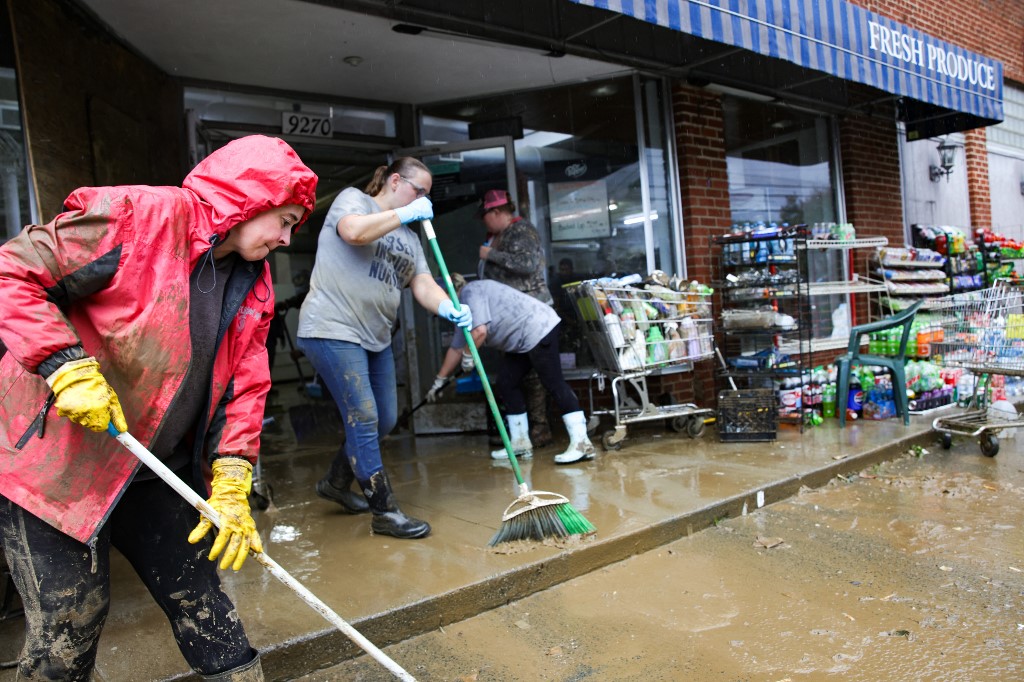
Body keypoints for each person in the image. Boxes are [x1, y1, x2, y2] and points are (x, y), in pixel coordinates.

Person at [0, 134, 318, 682]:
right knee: (72, 617)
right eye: (285, 219)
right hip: (53, 464)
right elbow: (13, 271)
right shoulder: (140, 216)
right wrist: (65, 366)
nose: (287, 239)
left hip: (150, 466)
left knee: (202, 598)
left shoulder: (253, 281)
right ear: (251, 197)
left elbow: (247, 385)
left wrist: (233, 479)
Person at [296, 157, 472, 540]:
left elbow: (422, 283)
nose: (423, 200)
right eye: (419, 190)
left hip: (376, 337)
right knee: (363, 414)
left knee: (386, 419)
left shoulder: (410, 237)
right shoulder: (354, 201)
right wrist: (407, 212)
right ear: (395, 180)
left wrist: (448, 306)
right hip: (332, 327)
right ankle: (385, 511)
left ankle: (336, 484)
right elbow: (354, 233)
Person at [425, 275, 596, 465]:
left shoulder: (470, 292)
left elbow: (480, 331)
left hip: (538, 328)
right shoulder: (460, 310)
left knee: (553, 382)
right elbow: (455, 348)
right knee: (507, 382)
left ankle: (582, 443)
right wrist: (438, 381)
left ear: (445, 294)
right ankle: (520, 443)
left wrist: (468, 355)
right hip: (522, 340)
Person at [476, 189, 554, 447]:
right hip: (511, 320)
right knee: (511, 378)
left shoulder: (522, 231)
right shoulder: (497, 235)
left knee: (535, 376)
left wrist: (491, 255)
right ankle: (520, 434)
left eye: (485, 215)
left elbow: (527, 264)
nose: (483, 221)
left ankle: (539, 430)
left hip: (532, 316)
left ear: (496, 212)